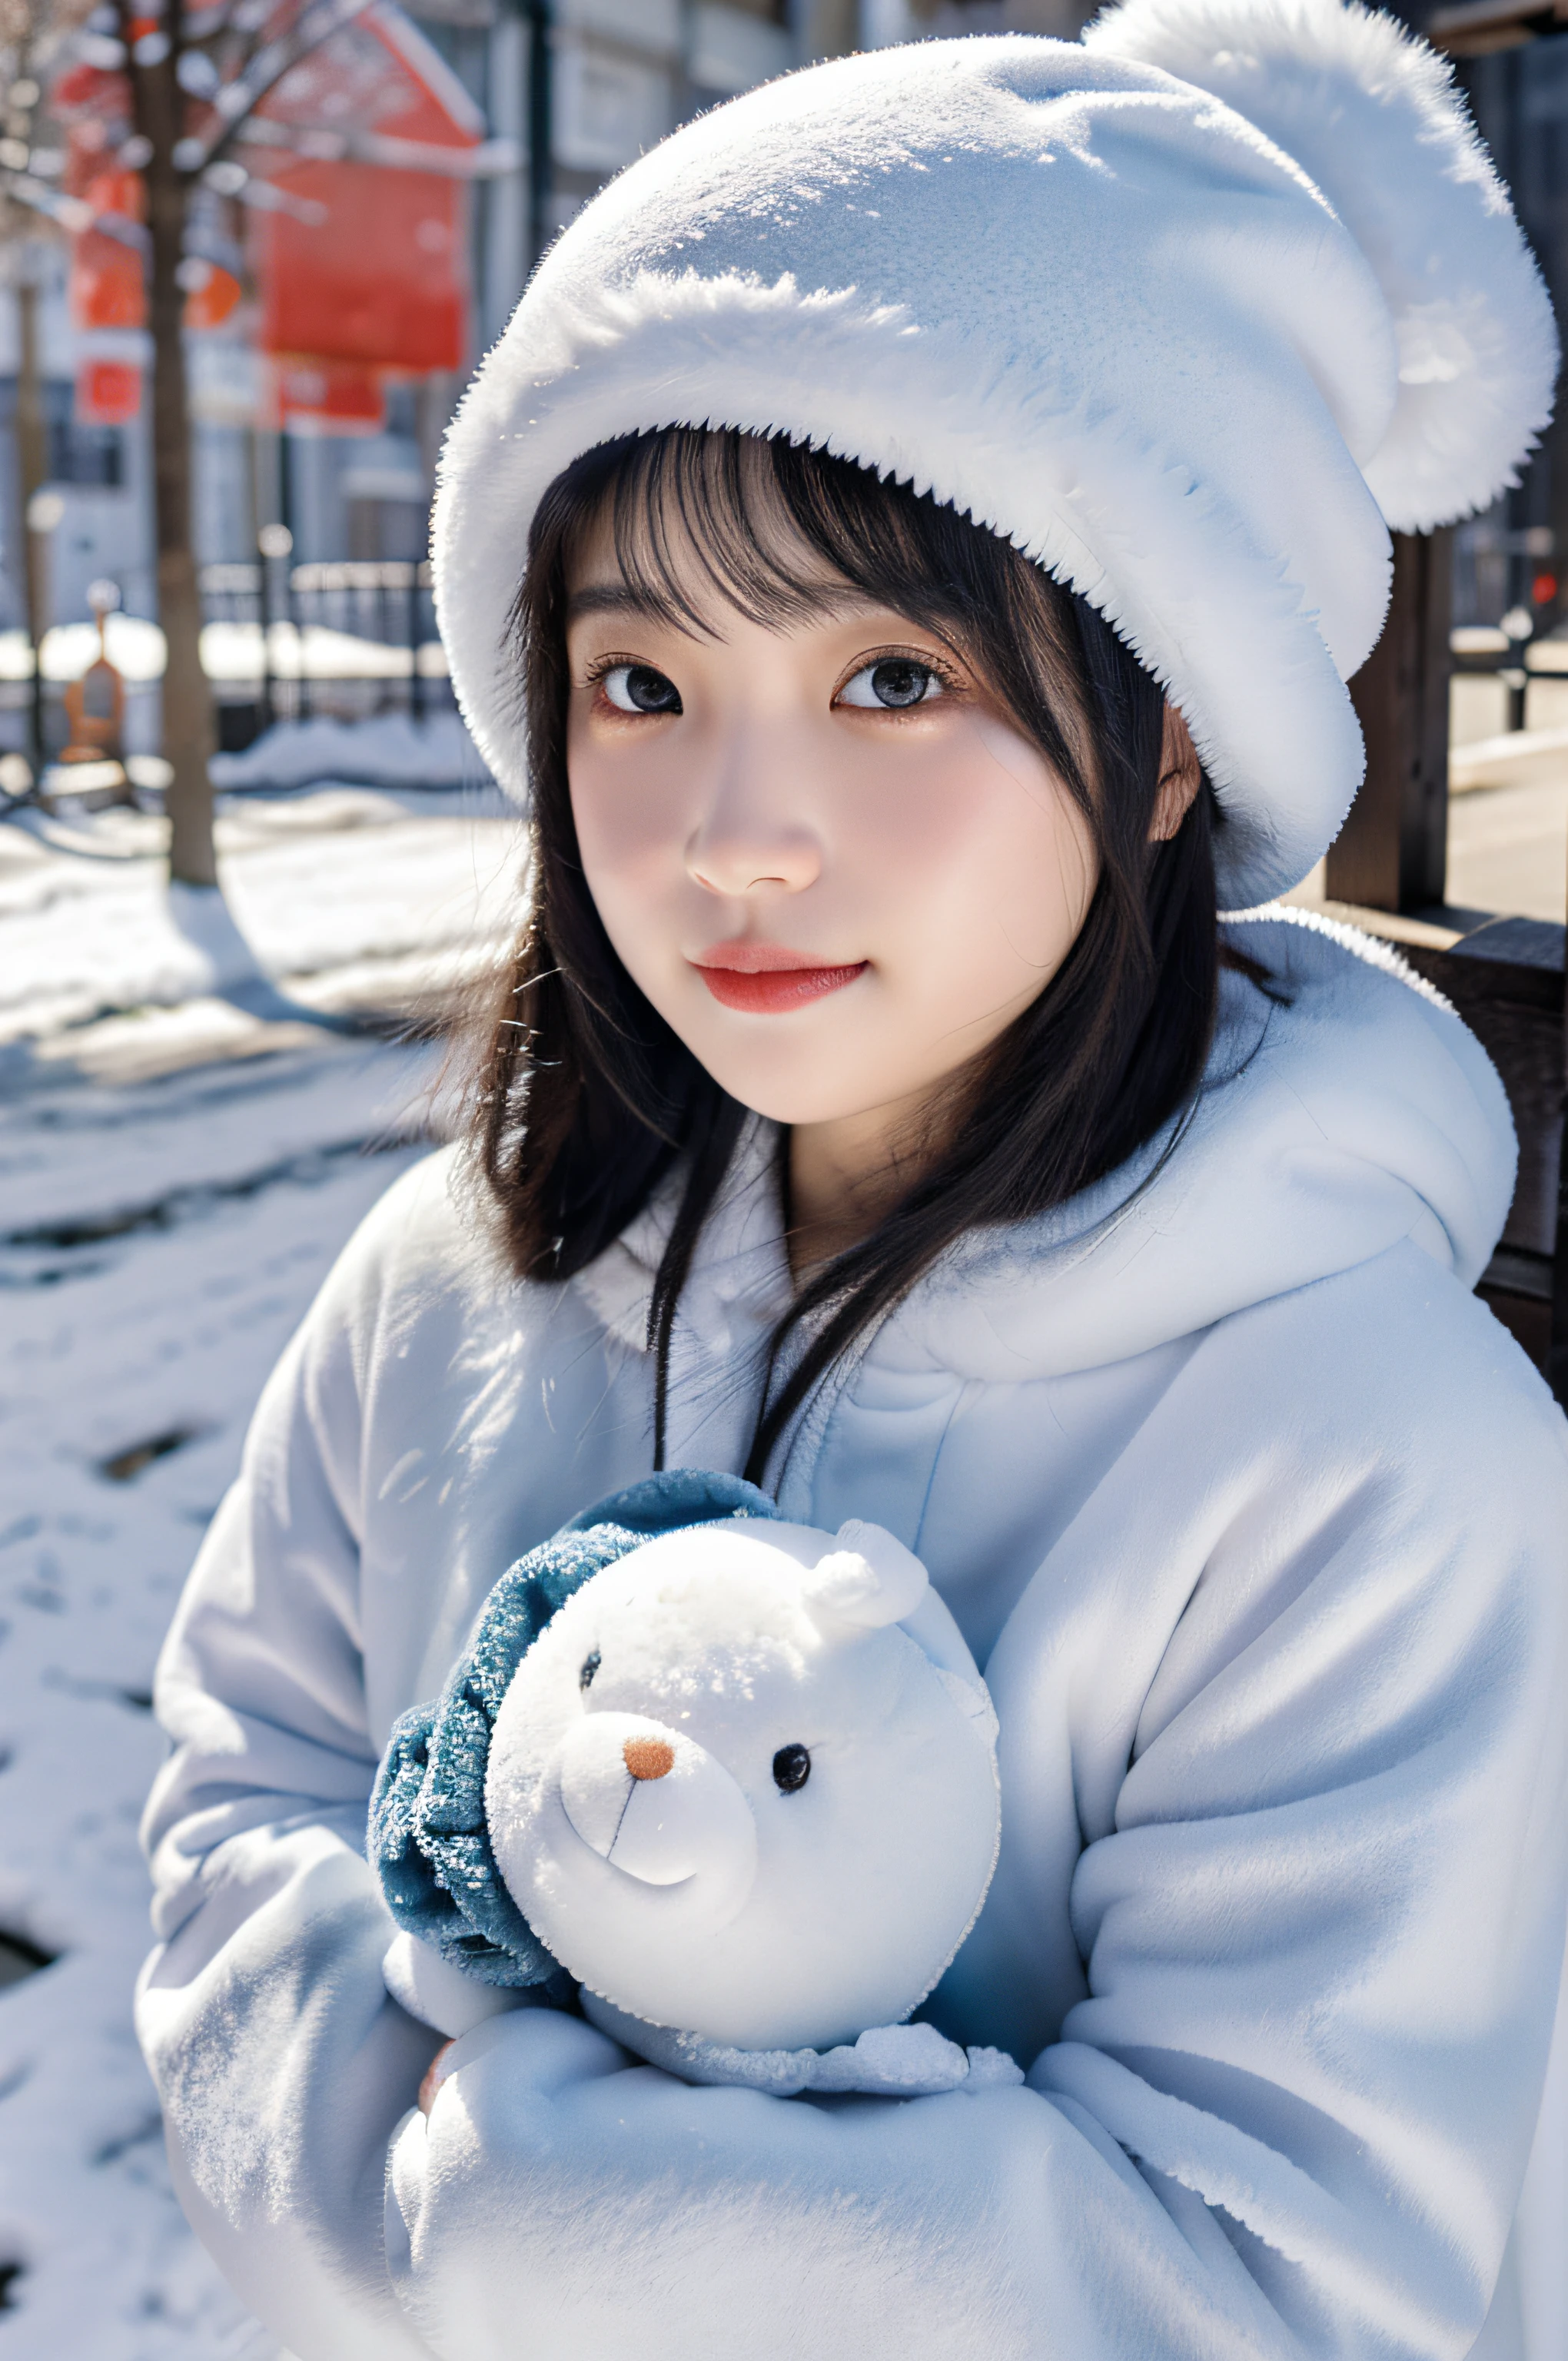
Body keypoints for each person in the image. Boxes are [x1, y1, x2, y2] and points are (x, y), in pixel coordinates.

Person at [136, 8, 1568, 2359]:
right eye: (641, 683)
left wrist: (447, 2204)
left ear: (1178, 726)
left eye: (894, 676)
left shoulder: (1365, 1455)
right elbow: (228, 1833)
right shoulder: (448, 1290)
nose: (736, 835)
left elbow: (1249, 2289)